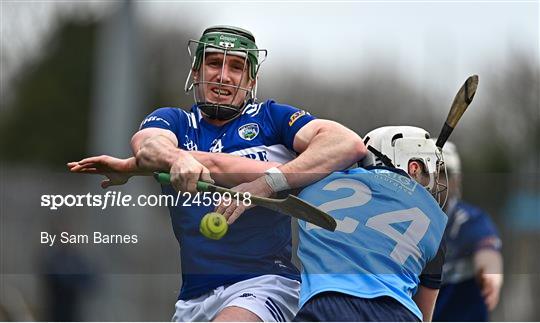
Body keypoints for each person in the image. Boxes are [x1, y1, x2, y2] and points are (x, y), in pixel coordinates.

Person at [68, 25, 366, 321]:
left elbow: (346, 144)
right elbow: (147, 145)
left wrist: (268, 182)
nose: (223, 76)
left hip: (264, 285)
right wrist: (176, 158)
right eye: (213, 63)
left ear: (251, 80)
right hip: (193, 296)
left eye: (236, 67)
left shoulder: (272, 119)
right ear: (196, 73)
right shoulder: (175, 121)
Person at [291, 126, 448, 321]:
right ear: (413, 167)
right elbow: (425, 315)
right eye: (428, 171)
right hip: (397, 313)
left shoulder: (313, 188)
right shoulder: (436, 219)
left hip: (326, 306)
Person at [433, 142, 503, 321]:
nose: (436, 182)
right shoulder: (407, 221)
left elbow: (487, 252)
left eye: (444, 174)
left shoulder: (471, 220)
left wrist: (491, 275)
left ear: (456, 181)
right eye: (430, 173)